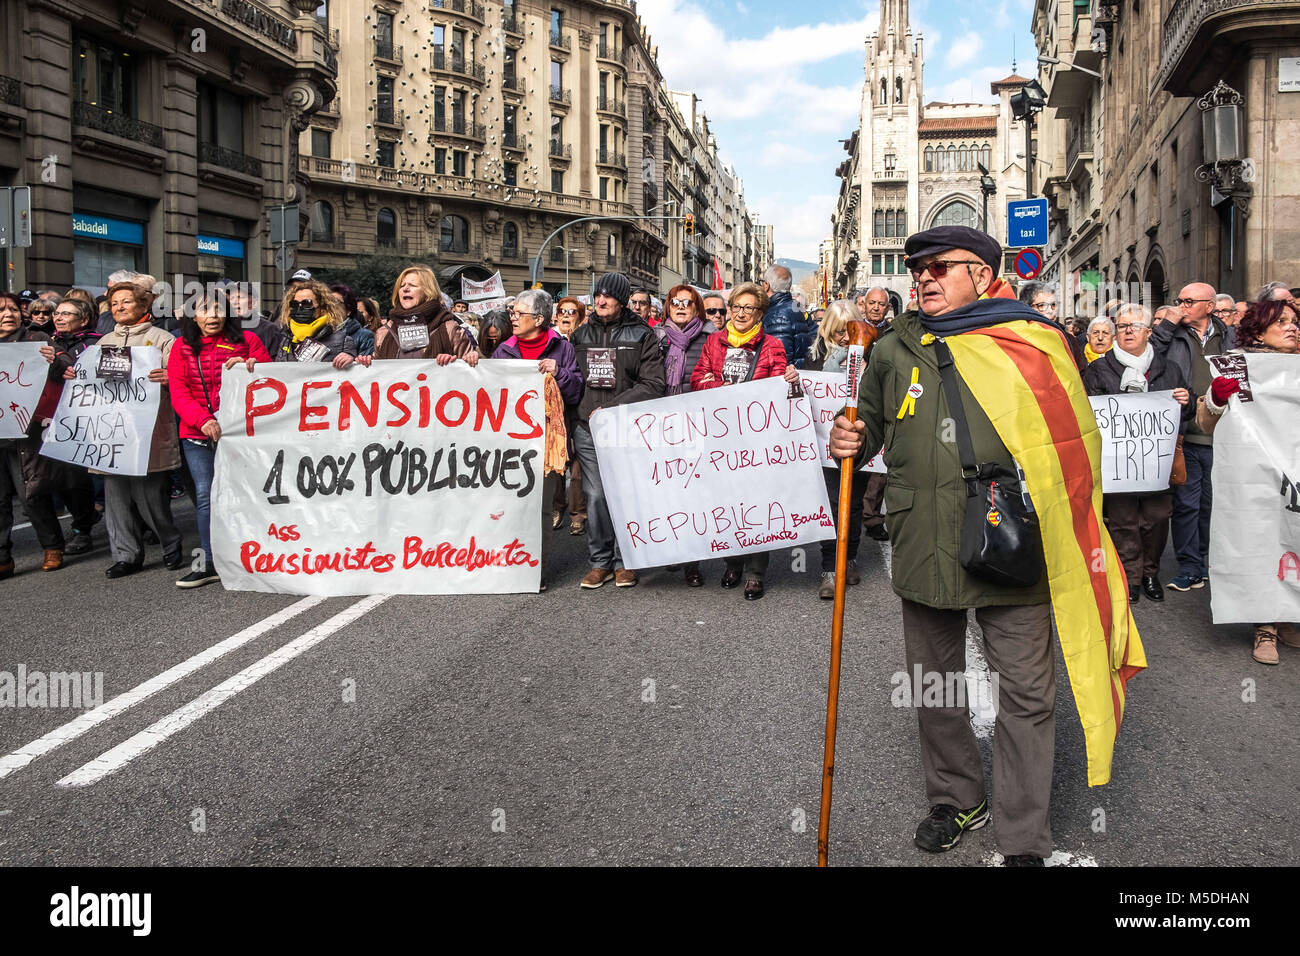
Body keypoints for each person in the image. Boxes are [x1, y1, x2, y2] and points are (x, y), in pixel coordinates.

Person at [829, 224, 1143, 867]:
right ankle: (954, 798)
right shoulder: (894, 347)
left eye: (940, 267)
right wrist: (846, 438)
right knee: (933, 682)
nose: (923, 277)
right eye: (917, 268)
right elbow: (868, 424)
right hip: (923, 536)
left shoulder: (1033, 340)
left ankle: (1023, 836)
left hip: (1013, 538)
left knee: (1027, 692)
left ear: (980, 272)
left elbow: (1071, 440)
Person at [1196, 298, 1300, 664]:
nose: (1292, 326)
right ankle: (1265, 626)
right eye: (1282, 321)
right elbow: (1205, 423)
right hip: (1255, 478)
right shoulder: (1236, 367)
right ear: (1258, 330)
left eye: (1294, 321)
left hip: (1295, 476)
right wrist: (1216, 399)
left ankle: (1289, 615)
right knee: (1262, 543)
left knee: (1293, 540)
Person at [691, 281, 801, 600]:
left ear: (760, 314)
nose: (740, 313)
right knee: (727, 503)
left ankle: (755, 572)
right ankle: (733, 562)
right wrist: (720, 387)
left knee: (756, 504)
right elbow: (698, 381)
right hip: (721, 438)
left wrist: (785, 382)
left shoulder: (773, 347)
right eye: (736, 307)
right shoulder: (713, 343)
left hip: (757, 442)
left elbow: (777, 394)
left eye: (749, 308)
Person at [1081, 303, 1192, 602]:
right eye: (1122, 326)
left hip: (1157, 462)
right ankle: (1130, 576)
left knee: (1156, 518)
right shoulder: (1098, 369)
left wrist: (1186, 400)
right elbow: (1088, 411)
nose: (1128, 331)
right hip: (1118, 463)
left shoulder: (1169, 369)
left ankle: (1150, 572)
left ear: (1148, 332)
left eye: (1134, 326)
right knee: (1123, 520)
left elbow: (1188, 410)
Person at [167, 294, 272, 588]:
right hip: (197, 434)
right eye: (204, 310)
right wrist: (204, 420)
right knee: (205, 496)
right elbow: (179, 391)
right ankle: (208, 563)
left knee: (249, 493)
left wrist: (253, 365)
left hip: (242, 435)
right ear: (193, 316)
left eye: (218, 309)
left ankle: (258, 556)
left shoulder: (248, 340)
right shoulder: (180, 347)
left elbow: (271, 380)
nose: (212, 316)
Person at [569, 272, 666, 589]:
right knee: (595, 496)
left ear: (621, 300)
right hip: (588, 429)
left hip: (625, 428)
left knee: (625, 495)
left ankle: (627, 561)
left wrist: (612, 407)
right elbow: (572, 380)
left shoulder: (642, 334)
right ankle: (600, 562)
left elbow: (654, 384)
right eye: (598, 295)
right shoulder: (580, 335)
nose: (601, 300)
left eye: (608, 296)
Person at [490, 290, 584, 591]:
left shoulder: (562, 349)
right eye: (512, 312)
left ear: (539, 319)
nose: (512, 318)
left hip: (546, 442)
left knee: (542, 508)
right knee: (510, 504)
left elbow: (575, 392)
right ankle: (506, 563)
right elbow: (488, 391)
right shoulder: (503, 351)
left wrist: (560, 374)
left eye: (519, 313)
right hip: (510, 443)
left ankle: (535, 571)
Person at [96, 280, 184, 577]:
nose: (119, 307)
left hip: (148, 431)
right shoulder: (103, 341)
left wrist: (169, 377)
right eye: (115, 303)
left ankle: (170, 542)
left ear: (144, 306)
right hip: (111, 432)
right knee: (116, 497)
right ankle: (126, 555)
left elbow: (180, 380)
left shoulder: (163, 339)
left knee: (150, 498)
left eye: (126, 301)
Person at [1153, 281, 1227, 592]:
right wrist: (1166, 325)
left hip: (1224, 435)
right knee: (1186, 504)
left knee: (1215, 504)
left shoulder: (1229, 335)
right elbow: (1152, 359)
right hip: (1186, 433)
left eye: (1189, 301)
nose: (1181, 305)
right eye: (1179, 300)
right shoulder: (1173, 334)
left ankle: (1209, 558)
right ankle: (1189, 566)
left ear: (1209, 307)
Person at [0, 292, 68, 577]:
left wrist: (55, 360)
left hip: (26, 431)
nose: (7, 314)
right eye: (1, 310)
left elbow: (66, 369)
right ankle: (3, 557)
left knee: (32, 493)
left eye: (13, 309)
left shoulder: (37, 340)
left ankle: (52, 545)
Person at [805, 300, 869, 599]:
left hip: (860, 444)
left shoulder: (870, 356)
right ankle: (830, 568)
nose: (844, 337)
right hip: (824, 445)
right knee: (832, 506)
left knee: (854, 504)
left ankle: (850, 557)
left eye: (850, 330)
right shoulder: (814, 357)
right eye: (838, 331)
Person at [656, 284, 713, 588]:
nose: (680, 307)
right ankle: (669, 550)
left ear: (696, 309)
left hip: (696, 425)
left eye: (687, 303)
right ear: (667, 307)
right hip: (660, 426)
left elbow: (714, 374)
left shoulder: (709, 337)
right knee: (667, 493)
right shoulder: (656, 337)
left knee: (692, 496)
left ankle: (693, 561)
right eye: (675, 302)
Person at [37, 297, 103, 556]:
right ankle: (84, 518)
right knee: (56, 477)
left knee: (77, 478)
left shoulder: (96, 343)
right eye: (57, 313)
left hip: (85, 417)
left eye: (66, 314)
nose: (58, 318)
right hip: (49, 418)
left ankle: (82, 529)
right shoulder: (44, 343)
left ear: (84, 319)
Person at [373, 265, 477, 365]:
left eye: (412, 285)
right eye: (402, 285)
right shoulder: (385, 332)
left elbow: (467, 374)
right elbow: (376, 374)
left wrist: (462, 361)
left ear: (428, 291)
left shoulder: (450, 329)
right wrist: (366, 363)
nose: (405, 289)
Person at [550, 297, 588, 533]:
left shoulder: (585, 340)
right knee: (555, 463)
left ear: (581, 317)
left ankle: (578, 514)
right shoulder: (550, 341)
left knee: (577, 467)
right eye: (562, 311)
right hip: (556, 409)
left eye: (572, 312)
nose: (566, 316)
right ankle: (557, 507)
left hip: (579, 408)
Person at [274, 280, 360, 367]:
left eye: (307, 304)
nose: (300, 308)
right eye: (294, 304)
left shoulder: (343, 341)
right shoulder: (286, 339)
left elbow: (354, 374)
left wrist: (351, 359)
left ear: (323, 307)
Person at [760, 264, 810, 368]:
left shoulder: (776, 315)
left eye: (762, 282)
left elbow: (778, 358)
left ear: (766, 285)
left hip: (781, 379)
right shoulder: (794, 308)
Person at [329, 282, 376, 357]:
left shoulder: (364, 336)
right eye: (328, 302)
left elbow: (364, 366)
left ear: (348, 310)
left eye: (336, 302)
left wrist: (351, 358)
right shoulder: (318, 333)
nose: (331, 306)